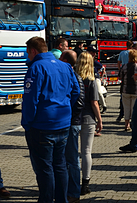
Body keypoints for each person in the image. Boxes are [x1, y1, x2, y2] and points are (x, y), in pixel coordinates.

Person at [22, 36, 80, 203]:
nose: (28, 56)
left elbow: (30, 100)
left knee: (45, 168)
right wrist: (65, 106)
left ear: (33, 51)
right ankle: (62, 199)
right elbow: (76, 91)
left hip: (42, 126)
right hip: (62, 123)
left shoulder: (36, 68)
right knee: (60, 165)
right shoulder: (65, 66)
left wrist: (28, 122)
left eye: (28, 53)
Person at [75, 52, 102, 196]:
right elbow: (94, 103)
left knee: (72, 152)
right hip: (88, 118)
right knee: (86, 151)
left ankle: (72, 182)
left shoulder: (73, 77)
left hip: (73, 119)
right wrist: (99, 120)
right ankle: (85, 183)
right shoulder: (91, 80)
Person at [59, 50, 84, 203]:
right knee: (66, 159)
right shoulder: (71, 75)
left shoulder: (74, 76)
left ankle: (73, 193)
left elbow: (79, 102)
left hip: (71, 123)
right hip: (68, 122)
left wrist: (68, 113)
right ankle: (66, 190)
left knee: (72, 159)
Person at [118, 49, 137, 131]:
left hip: (125, 89)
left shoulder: (124, 66)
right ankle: (133, 124)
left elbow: (120, 77)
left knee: (126, 108)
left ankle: (127, 124)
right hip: (135, 90)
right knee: (133, 108)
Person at [87, 46, 107, 115]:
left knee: (98, 91)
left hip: (95, 78)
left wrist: (101, 76)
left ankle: (104, 105)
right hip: (88, 78)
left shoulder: (94, 62)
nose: (94, 54)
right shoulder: (85, 60)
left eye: (95, 52)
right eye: (93, 52)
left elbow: (103, 68)